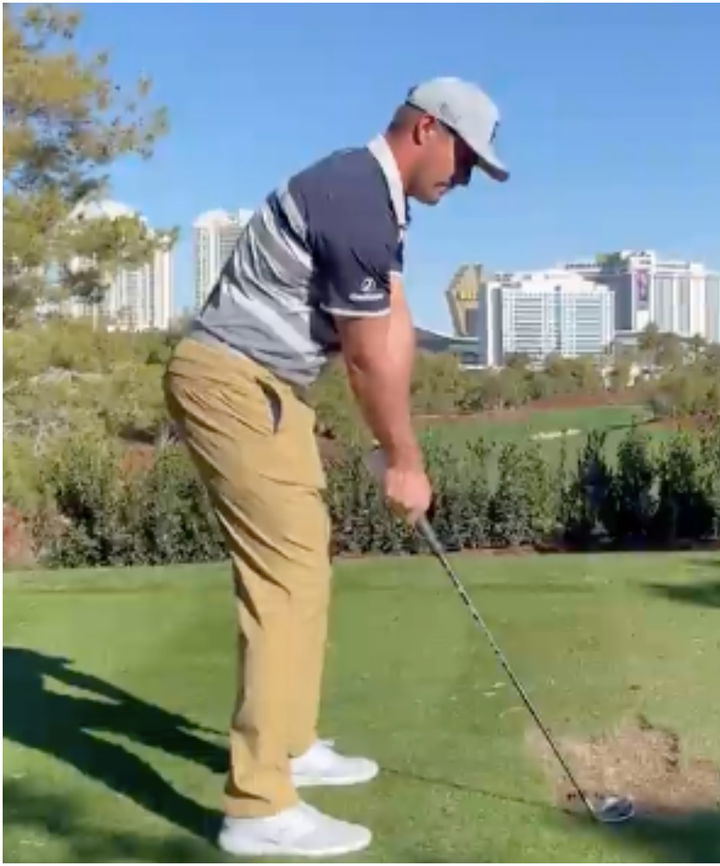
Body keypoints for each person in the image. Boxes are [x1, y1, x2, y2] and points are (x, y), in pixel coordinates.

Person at [162, 76, 509, 858]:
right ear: (426, 130)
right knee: (283, 578)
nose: (463, 179)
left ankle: (289, 741)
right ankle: (257, 806)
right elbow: (361, 356)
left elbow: (393, 327)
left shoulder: (382, 206)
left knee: (305, 565)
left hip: (269, 385)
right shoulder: (354, 191)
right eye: (463, 160)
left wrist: (403, 442)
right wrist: (402, 458)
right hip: (232, 379)